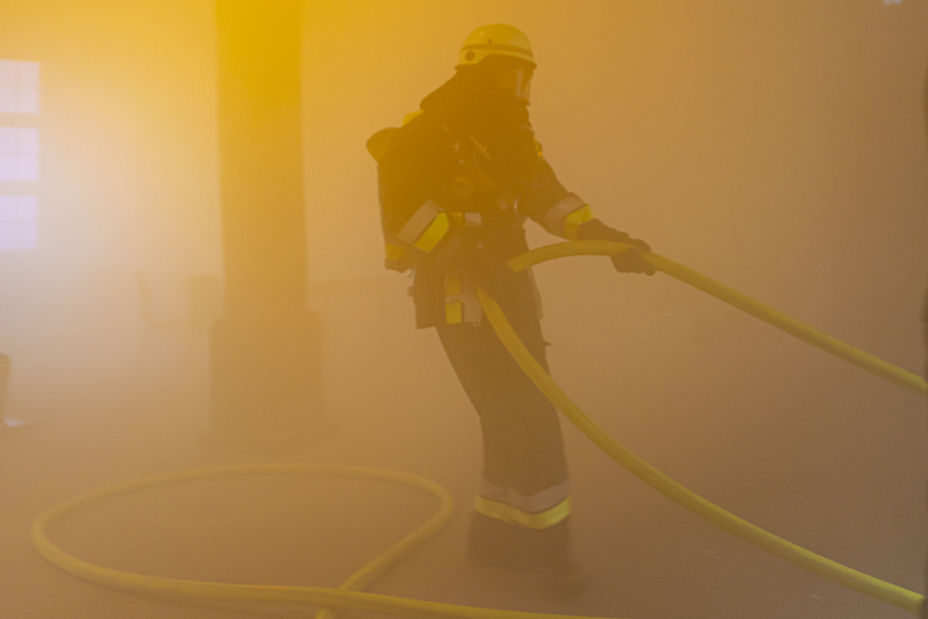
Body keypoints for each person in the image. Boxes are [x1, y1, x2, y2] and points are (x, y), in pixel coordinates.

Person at [367, 24, 653, 588]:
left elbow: (544, 196)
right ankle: (550, 551)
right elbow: (405, 211)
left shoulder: (507, 136)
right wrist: (466, 255)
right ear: (474, 73)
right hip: (461, 297)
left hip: (510, 287)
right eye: (505, 75)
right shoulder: (428, 135)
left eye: (522, 78)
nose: (515, 89)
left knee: (507, 417)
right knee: (527, 414)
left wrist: (604, 236)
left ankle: (495, 536)